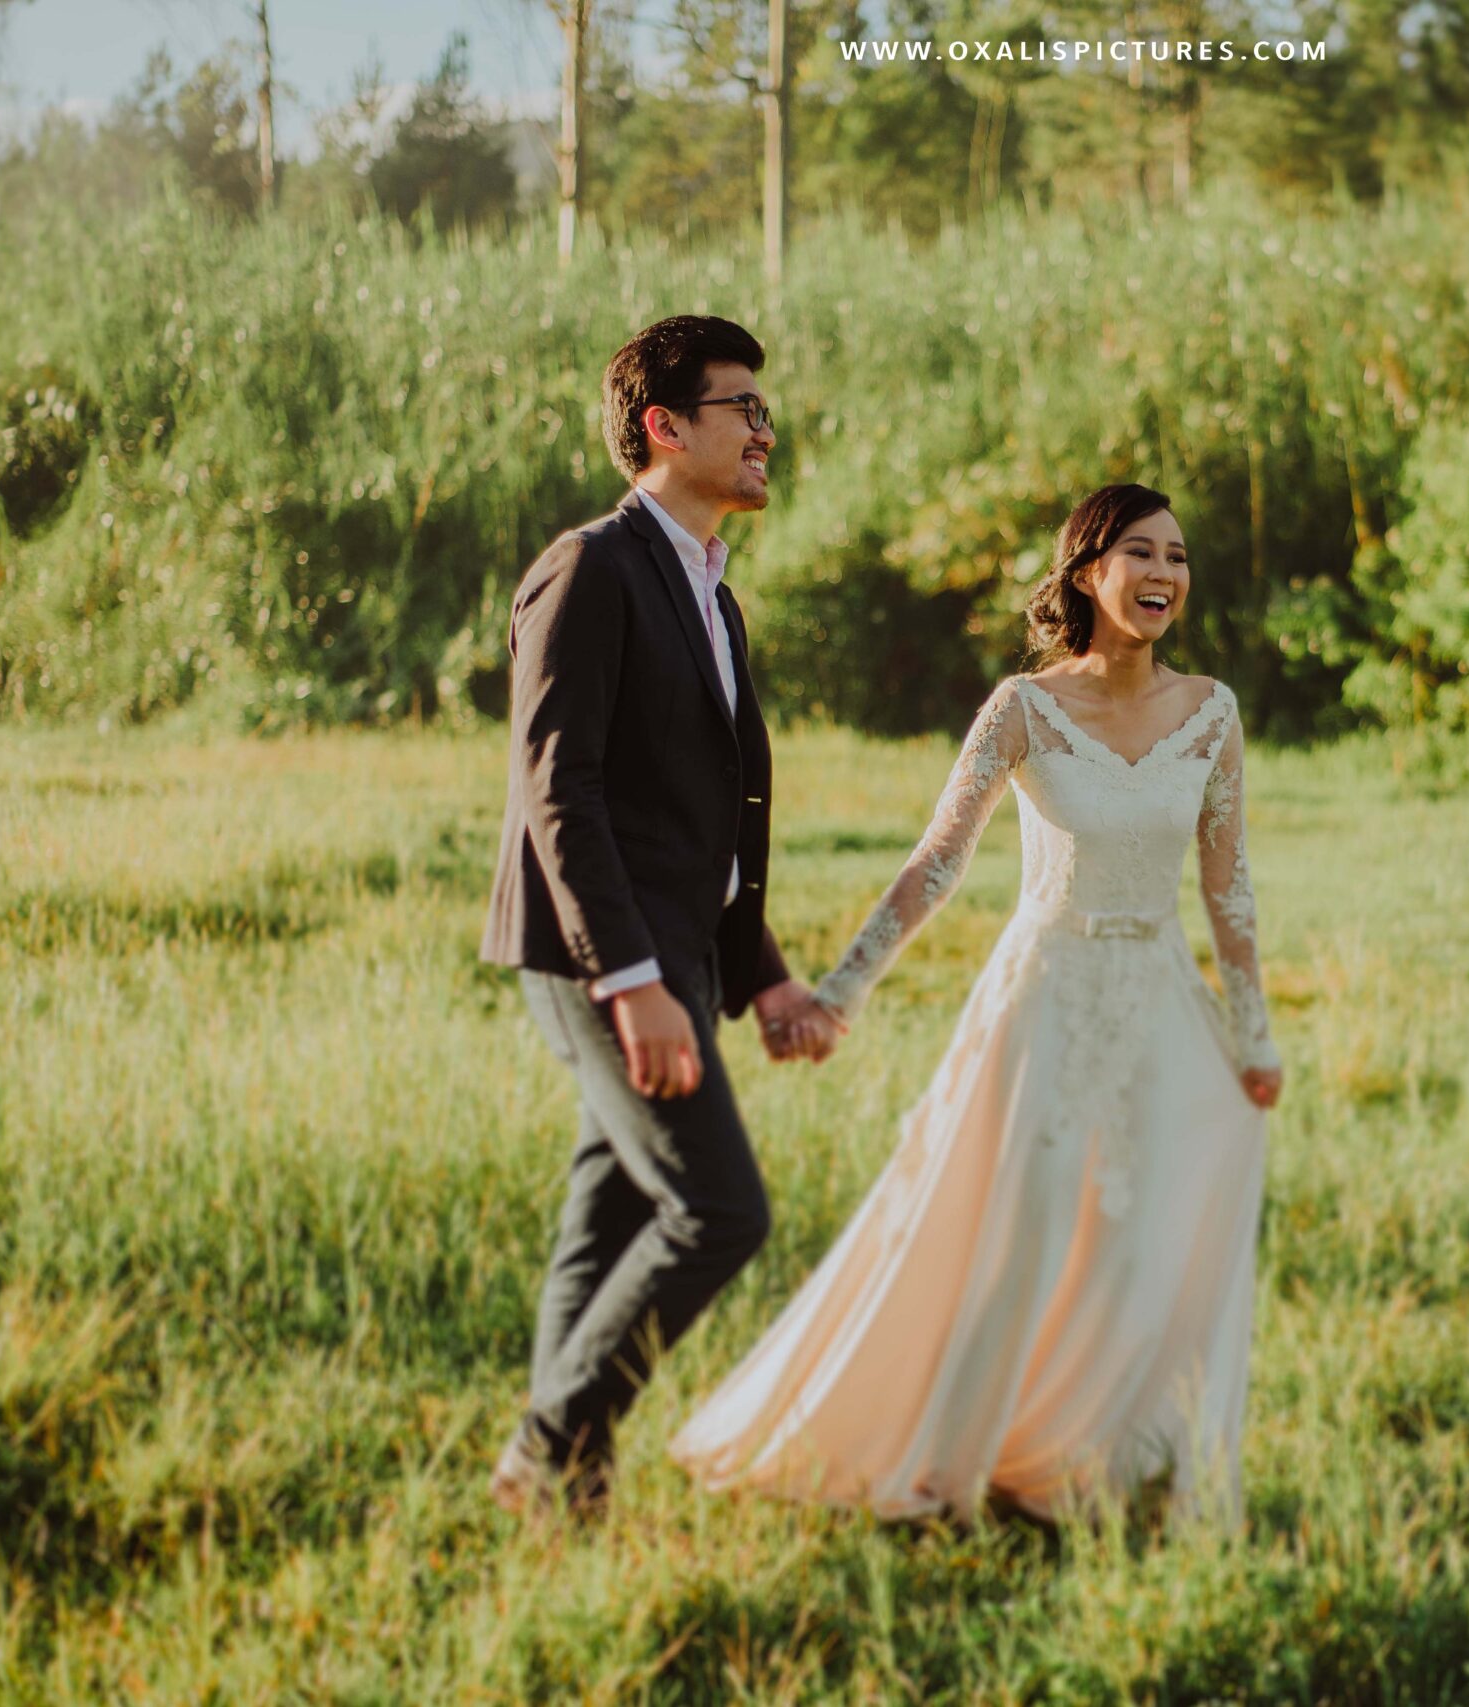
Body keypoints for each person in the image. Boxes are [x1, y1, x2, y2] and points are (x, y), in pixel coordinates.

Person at [668, 481, 1286, 1527]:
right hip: (1044, 1001)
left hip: (1161, 1003)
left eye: (1178, 556)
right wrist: (840, 993)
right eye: (1141, 553)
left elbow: (1228, 886)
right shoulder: (1023, 709)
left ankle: (1081, 1463)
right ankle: (954, 1456)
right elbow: (936, 864)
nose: (1165, 575)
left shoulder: (1210, 713)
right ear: (1088, 571)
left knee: (1136, 1242)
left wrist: (1252, 1036)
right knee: (1025, 1230)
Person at [479, 314, 840, 1525]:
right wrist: (628, 979)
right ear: (664, 426)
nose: (767, 433)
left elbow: (700, 817)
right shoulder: (590, 567)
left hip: (675, 951)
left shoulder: (711, 594)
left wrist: (761, 972)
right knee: (718, 1209)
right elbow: (559, 790)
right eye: (744, 409)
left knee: (612, 1214)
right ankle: (547, 1445)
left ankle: (561, 1486)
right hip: (601, 956)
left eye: (765, 412)